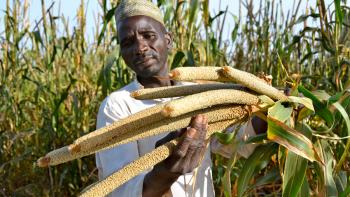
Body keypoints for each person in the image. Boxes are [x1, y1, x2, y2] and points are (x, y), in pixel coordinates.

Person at [95, 0, 261, 196]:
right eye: (128, 43)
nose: (140, 48)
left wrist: (273, 110)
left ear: (168, 40)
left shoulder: (200, 94)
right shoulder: (117, 105)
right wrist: (165, 171)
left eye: (148, 36)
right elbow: (120, 189)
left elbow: (236, 142)